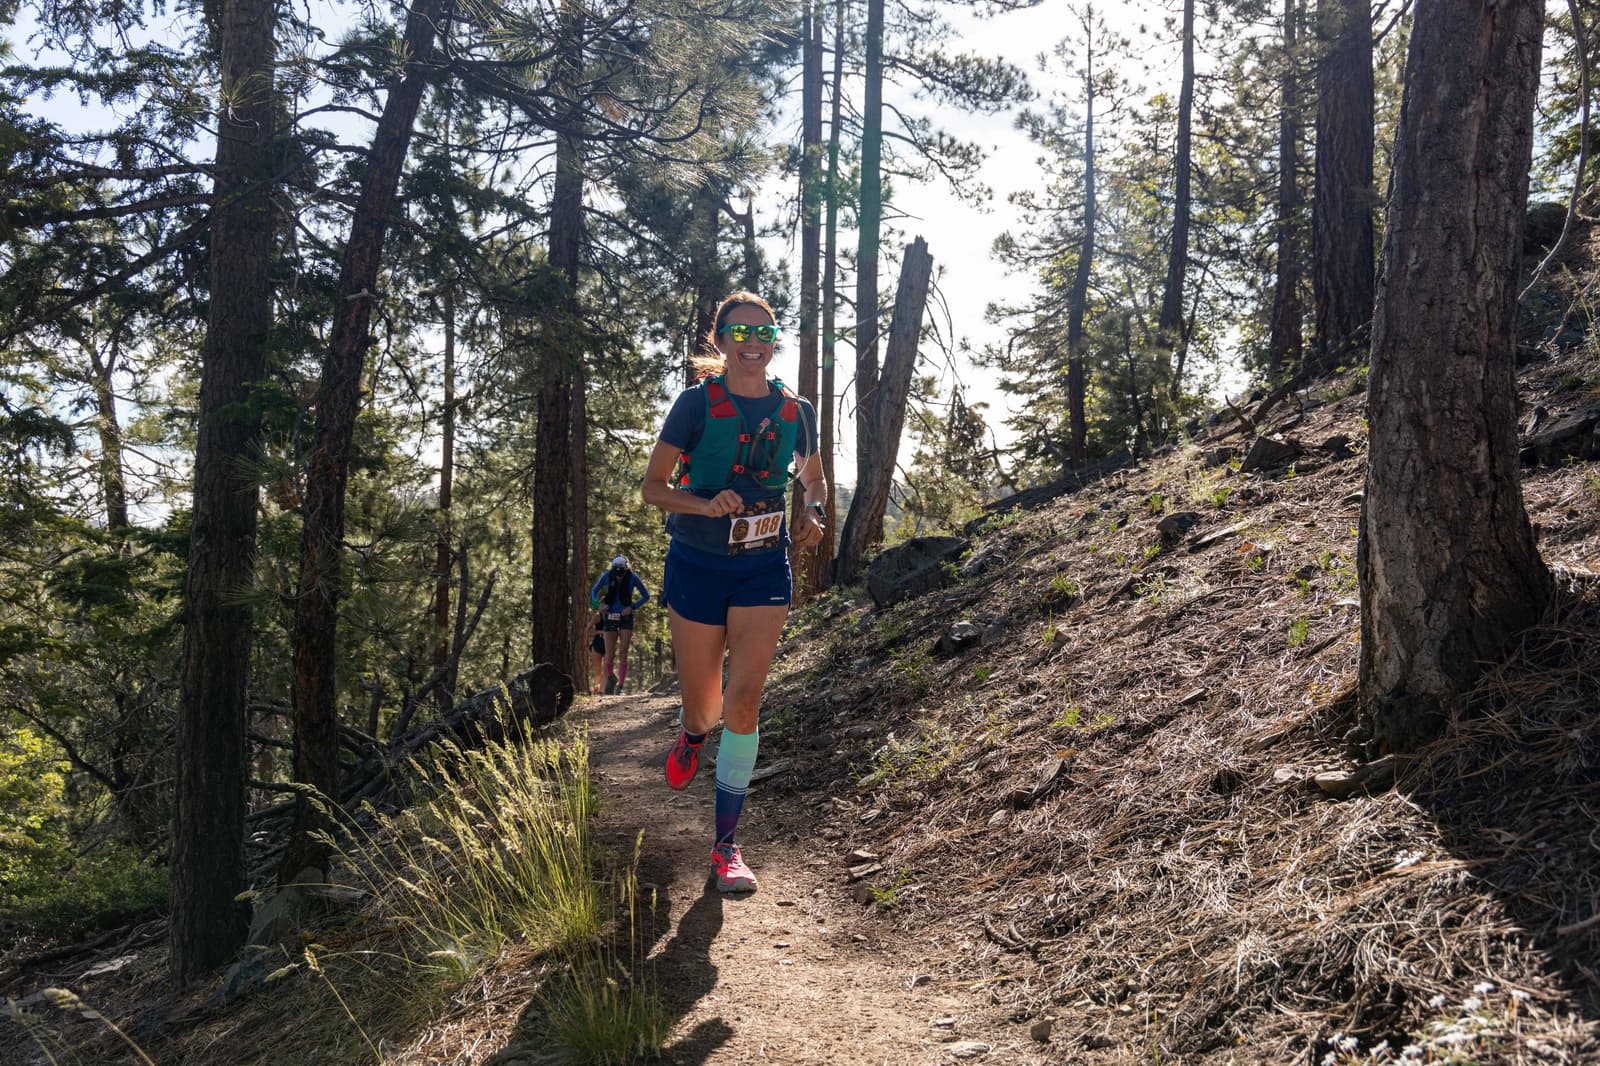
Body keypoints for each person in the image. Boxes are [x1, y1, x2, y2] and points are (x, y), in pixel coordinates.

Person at [641, 291, 826, 892]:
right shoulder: (694, 406)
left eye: (764, 332)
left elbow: (813, 476)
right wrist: (703, 501)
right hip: (697, 563)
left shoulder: (795, 411)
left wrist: (814, 510)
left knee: (744, 703)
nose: (753, 343)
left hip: (763, 566)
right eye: (740, 333)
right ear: (719, 342)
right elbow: (653, 488)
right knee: (708, 706)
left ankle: (725, 847)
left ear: (775, 342)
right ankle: (692, 733)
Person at [590, 555, 649, 694]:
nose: (619, 575)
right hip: (609, 617)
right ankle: (611, 678)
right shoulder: (607, 576)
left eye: (621, 572)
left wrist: (632, 607)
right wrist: (598, 605)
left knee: (623, 652)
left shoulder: (633, 577)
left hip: (626, 618)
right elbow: (594, 591)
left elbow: (646, 596)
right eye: (616, 572)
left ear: (626, 568)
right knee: (609, 654)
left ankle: (620, 687)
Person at [589, 608, 606, 695]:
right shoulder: (597, 616)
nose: (606, 607)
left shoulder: (613, 615)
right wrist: (601, 631)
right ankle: (596, 689)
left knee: (606, 669)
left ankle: (601, 691)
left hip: (608, 644)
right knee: (598, 671)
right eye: (603, 604)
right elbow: (587, 631)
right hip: (597, 644)